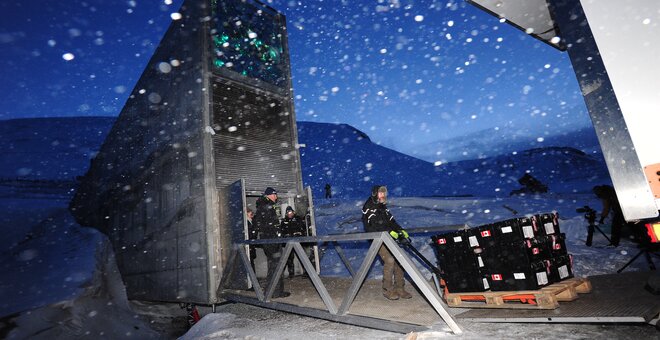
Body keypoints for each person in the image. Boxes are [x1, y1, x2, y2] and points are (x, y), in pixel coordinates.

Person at [362, 185, 412, 300]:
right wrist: (390, 232)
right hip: (377, 238)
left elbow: (391, 221)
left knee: (399, 260)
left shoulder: (383, 207)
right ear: (375, 194)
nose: (383, 195)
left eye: (384, 193)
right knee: (390, 260)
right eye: (380, 193)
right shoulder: (369, 206)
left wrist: (400, 230)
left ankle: (400, 288)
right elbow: (376, 224)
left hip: (387, 236)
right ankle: (387, 290)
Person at [253, 187, 290, 298]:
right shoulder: (265, 206)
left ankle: (273, 291)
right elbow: (266, 224)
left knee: (274, 266)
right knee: (276, 266)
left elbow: (260, 223)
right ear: (268, 195)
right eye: (274, 194)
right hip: (271, 241)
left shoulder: (264, 206)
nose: (276, 197)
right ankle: (274, 292)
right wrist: (274, 235)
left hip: (271, 240)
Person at [281, 206, 308, 278]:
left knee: (302, 257)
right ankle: (291, 274)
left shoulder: (298, 219)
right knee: (289, 258)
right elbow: (282, 231)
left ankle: (306, 273)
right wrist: (284, 237)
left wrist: (300, 235)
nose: (289, 214)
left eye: (290, 212)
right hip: (289, 241)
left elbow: (303, 229)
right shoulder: (284, 221)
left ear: (293, 212)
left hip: (298, 241)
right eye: (288, 212)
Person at [246, 208, 258, 273]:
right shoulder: (247, 223)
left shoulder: (251, 222)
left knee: (251, 262)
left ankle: (253, 280)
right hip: (250, 245)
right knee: (250, 262)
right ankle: (252, 280)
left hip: (251, 245)